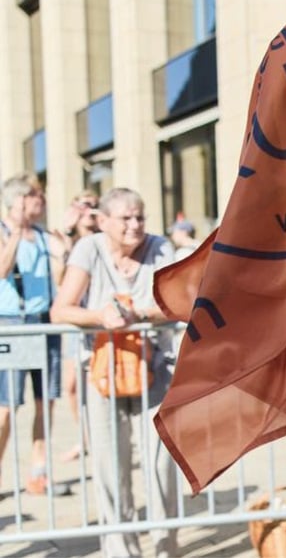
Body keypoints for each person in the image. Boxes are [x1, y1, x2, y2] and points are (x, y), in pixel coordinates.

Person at [50, 187, 178, 557]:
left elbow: (175, 300)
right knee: (109, 466)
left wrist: (136, 313)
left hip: (154, 369)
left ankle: (164, 547)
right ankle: (121, 551)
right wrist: (99, 317)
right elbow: (62, 310)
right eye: (126, 218)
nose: (135, 225)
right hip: (101, 372)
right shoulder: (88, 249)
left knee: (160, 464)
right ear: (103, 221)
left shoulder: (160, 247)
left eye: (140, 216)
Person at [0, 173, 68, 496]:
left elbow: (60, 279)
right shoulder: (2, 232)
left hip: (43, 322)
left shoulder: (44, 236)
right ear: (18, 200)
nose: (41, 202)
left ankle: (38, 473)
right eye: (35, 196)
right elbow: (1, 270)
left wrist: (63, 254)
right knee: (6, 406)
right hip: (12, 323)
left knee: (46, 402)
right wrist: (15, 232)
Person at [58, 190, 100, 462]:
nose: (90, 210)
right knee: (71, 386)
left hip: (95, 317)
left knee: (94, 382)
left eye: (95, 205)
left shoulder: (103, 237)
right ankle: (85, 437)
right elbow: (60, 281)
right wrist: (67, 236)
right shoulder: (65, 238)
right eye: (84, 204)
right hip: (75, 318)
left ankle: (97, 438)